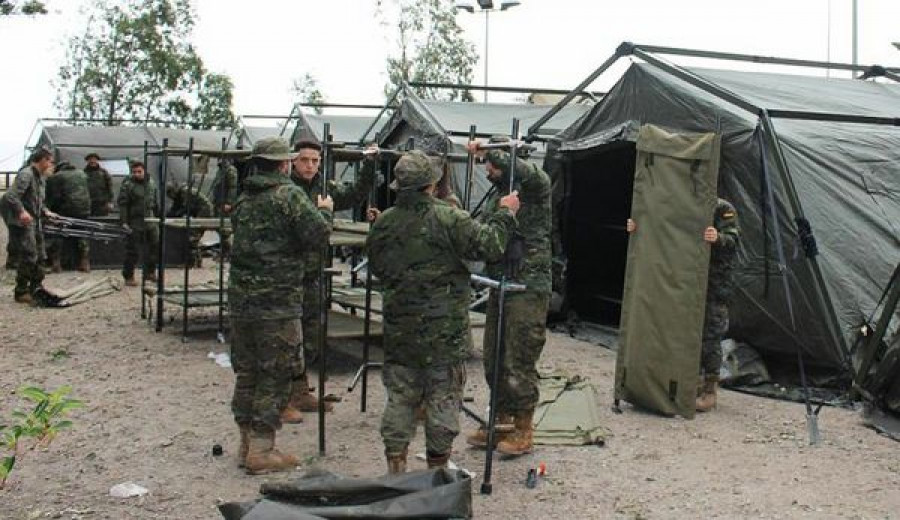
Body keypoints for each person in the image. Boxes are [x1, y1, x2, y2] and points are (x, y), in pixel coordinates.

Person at [366, 150, 519, 473]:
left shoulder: (383, 224)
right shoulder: (449, 218)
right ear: (431, 185)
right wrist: (505, 214)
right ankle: (437, 473)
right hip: (444, 333)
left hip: (400, 331)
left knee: (400, 397)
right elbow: (489, 246)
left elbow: (378, 268)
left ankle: (395, 467)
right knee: (443, 398)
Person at [228, 136, 333, 474]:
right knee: (275, 374)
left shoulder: (244, 198)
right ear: (285, 163)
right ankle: (262, 448)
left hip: (243, 302)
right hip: (278, 302)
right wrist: (325, 212)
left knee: (248, 373)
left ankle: (245, 442)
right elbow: (318, 234)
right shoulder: (288, 195)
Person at [464, 138, 552, 456]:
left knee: (520, 359)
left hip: (528, 287)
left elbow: (526, 173)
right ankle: (500, 416)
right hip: (500, 282)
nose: (487, 168)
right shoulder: (499, 198)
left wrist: (490, 149)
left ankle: (523, 426)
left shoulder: (536, 187)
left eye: (493, 163)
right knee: (494, 356)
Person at [279, 139, 377, 422]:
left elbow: (356, 193)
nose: (310, 165)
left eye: (315, 160)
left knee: (310, 335)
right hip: (288, 275)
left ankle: (299, 389)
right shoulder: (287, 191)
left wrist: (369, 164)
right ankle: (281, 395)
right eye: (304, 160)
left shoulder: (325, 189)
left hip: (314, 275)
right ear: (293, 161)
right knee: (285, 336)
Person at [625, 198, 740, 412]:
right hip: (686, 282)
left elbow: (734, 240)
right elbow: (664, 232)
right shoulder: (683, 202)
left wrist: (719, 237)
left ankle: (709, 391)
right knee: (683, 334)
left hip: (714, 286)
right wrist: (638, 228)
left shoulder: (723, 208)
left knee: (710, 336)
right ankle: (689, 385)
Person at [0, 148, 57, 303]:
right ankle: (21, 291)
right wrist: (21, 212)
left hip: (35, 220)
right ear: (43, 160)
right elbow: (11, 196)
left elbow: (36, 200)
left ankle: (36, 287)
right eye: (50, 161)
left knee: (41, 254)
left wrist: (46, 211)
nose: (52, 165)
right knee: (29, 255)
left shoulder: (40, 178)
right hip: (22, 222)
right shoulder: (26, 174)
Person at [117, 161, 159, 286]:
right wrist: (124, 221)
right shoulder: (128, 185)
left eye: (139, 172)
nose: (137, 174)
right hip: (135, 221)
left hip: (151, 220)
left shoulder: (151, 183)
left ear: (144, 171)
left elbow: (155, 201)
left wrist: (157, 216)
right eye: (134, 172)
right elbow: (123, 205)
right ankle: (128, 275)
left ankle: (150, 272)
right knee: (133, 251)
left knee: (154, 248)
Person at [45, 162, 92, 272]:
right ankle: (85, 262)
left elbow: (54, 196)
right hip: (84, 209)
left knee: (58, 233)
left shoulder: (57, 176)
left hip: (66, 209)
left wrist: (49, 210)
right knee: (82, 234)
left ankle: (56, 264)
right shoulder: (82, 173)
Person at [166, 183, 213, 268]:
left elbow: (185, 208)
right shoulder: (181, 194)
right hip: (200, 211)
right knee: (194, 236)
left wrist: (177, 214)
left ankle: (191, 263)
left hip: (204, 211)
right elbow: (175, 208)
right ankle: (197, 260)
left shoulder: (185, 192)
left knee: (192, 236)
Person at [208, 158, 238, 258]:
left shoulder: (230, 170)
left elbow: (233, 187)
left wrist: (229, 202)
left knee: (225, 229)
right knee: (219, 228)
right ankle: (225, 251)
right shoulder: (221, 170)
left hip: (224, 203)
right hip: (218, 202)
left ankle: (229, 252)